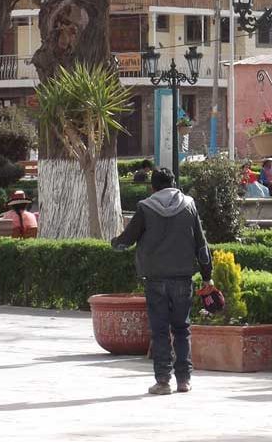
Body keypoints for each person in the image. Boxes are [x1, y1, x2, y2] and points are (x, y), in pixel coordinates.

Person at [111, 168, 212, 396]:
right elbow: (201, 244)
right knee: (182, 329)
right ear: (174, 183)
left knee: (159, 331)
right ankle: (184, 380)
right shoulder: (189, 205)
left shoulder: (145, 208)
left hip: (155, 278)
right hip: (183, 278)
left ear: (153, 187)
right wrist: (207, 276)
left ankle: (163, 381)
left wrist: (115, 243)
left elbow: (127, 239)